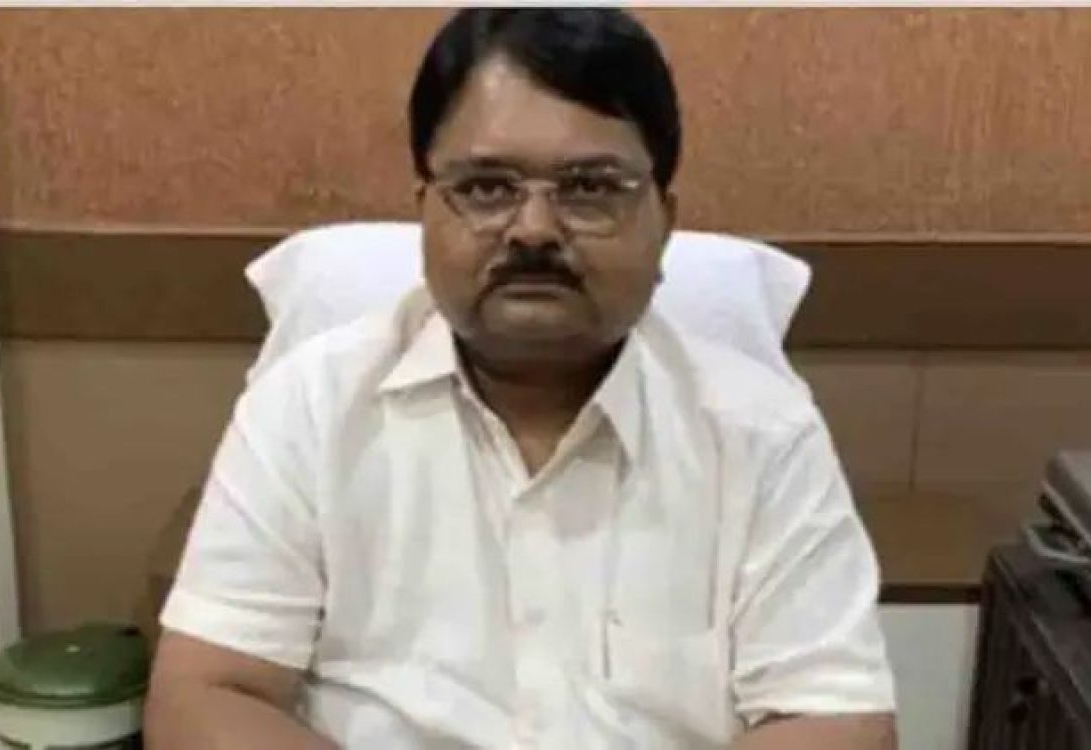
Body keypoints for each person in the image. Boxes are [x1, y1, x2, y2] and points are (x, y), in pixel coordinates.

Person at [145, 9, 897, 749]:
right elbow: (203, 698)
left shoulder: (762, 433)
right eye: (486, 188)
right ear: (425, 213)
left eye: (590, 187)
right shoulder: (309, 407)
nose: (534, 228)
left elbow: (839, 723)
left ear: (663, 223)